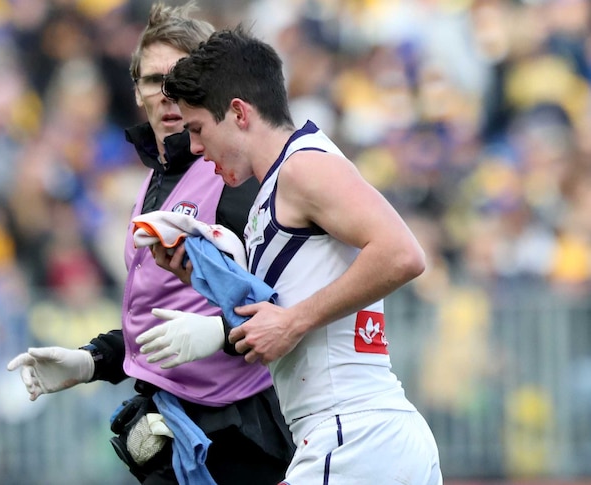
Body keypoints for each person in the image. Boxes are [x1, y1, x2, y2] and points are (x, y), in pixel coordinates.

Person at [7, 5, 294, 485]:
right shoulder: (153, 181)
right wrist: (89, 362)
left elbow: (288, 306)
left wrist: (219, 333)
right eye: (151, 79)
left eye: (178, 78)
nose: (165, 94)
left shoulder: (235, 175)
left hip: (240, 428)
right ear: (135, 90)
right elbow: (161, 321)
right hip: (176, 422)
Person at [143, 26, 443, 484]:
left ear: (239, 113)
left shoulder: (303, 167)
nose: (197, 149)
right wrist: (200, 274)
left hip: (351, 437)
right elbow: (289, 306)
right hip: (362, 437)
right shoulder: (280, 185)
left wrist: (293, 320)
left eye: (199, 129)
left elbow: (403, 254)